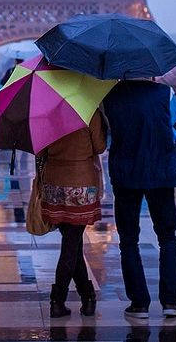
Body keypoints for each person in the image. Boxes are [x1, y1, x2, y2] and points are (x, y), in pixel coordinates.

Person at [104, 79, 176, 320]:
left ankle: (139, 303)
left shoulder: (111, 95)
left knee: (128, 240)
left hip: (125, 173)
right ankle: (170, 302)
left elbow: (107, 133)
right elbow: (173, 121)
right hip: (160, 170)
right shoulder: (166, 92)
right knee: (168, 238)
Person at [40, 109, 107, 319]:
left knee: (73, 244)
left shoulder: (48, 112)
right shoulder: (89, 111)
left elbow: (41, 150)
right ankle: (57, 301)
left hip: (55, 184)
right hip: (81, 185)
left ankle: (87, 297)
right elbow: (100, 146)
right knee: (71, 245)